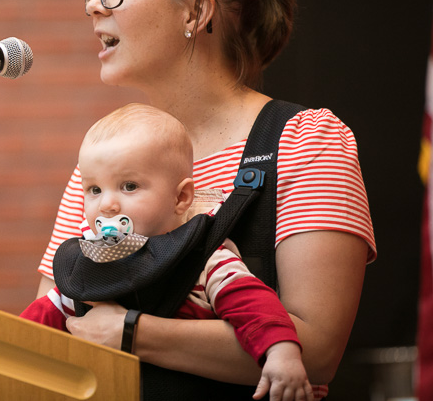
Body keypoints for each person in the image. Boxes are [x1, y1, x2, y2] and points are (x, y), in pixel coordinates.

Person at [35, 0, 376, 400]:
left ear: (196, 12)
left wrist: (132, 333)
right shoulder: (99, 169)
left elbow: (317, 352)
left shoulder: (304, 138)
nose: (95, 5)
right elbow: (48, 334)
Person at [22, 103, 314, 400]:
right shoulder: (91, 263)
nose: (107, 204)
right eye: (94, 190)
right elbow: (37, 324)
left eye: (129, 186)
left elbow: (254, 306)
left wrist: (281, 353)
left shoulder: (206, 258)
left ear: (181, 197)